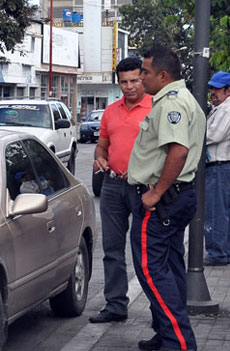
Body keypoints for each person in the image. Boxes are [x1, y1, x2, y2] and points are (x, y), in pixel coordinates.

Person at [127, 48, 204, 351]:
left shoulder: (171, 104)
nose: (141, 77)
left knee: (151, 270)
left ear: (163, 75)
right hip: (178, 198)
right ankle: (166, 331)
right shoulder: (185, 100)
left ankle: (179, 342)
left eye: (145, 72)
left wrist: (156, 192)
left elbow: (179, 151)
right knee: (171, 269)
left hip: (163, 202)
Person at [89, 57, 152, 324]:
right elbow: (102, 147)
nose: (129, 87)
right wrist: (99, 159)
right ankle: (115, 305)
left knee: (146, 252)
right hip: (113, 186)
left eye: (134, 80)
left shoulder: (155, 107)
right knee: (112, 249)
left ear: (143, 79)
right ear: (118, 83)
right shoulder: (110, 111)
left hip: (143, 188)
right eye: (124, 82)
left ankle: (158, 310)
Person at [204, 71, 230, 266]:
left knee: (216, 212)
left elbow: (213, 135)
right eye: (211, 88)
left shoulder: (226, 110)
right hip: (217, 167)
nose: (213, 92)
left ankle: (218, 253)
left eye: (217, 89)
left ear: (228, 90)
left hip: (220, 167)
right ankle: (222, 251)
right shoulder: (219, 108)